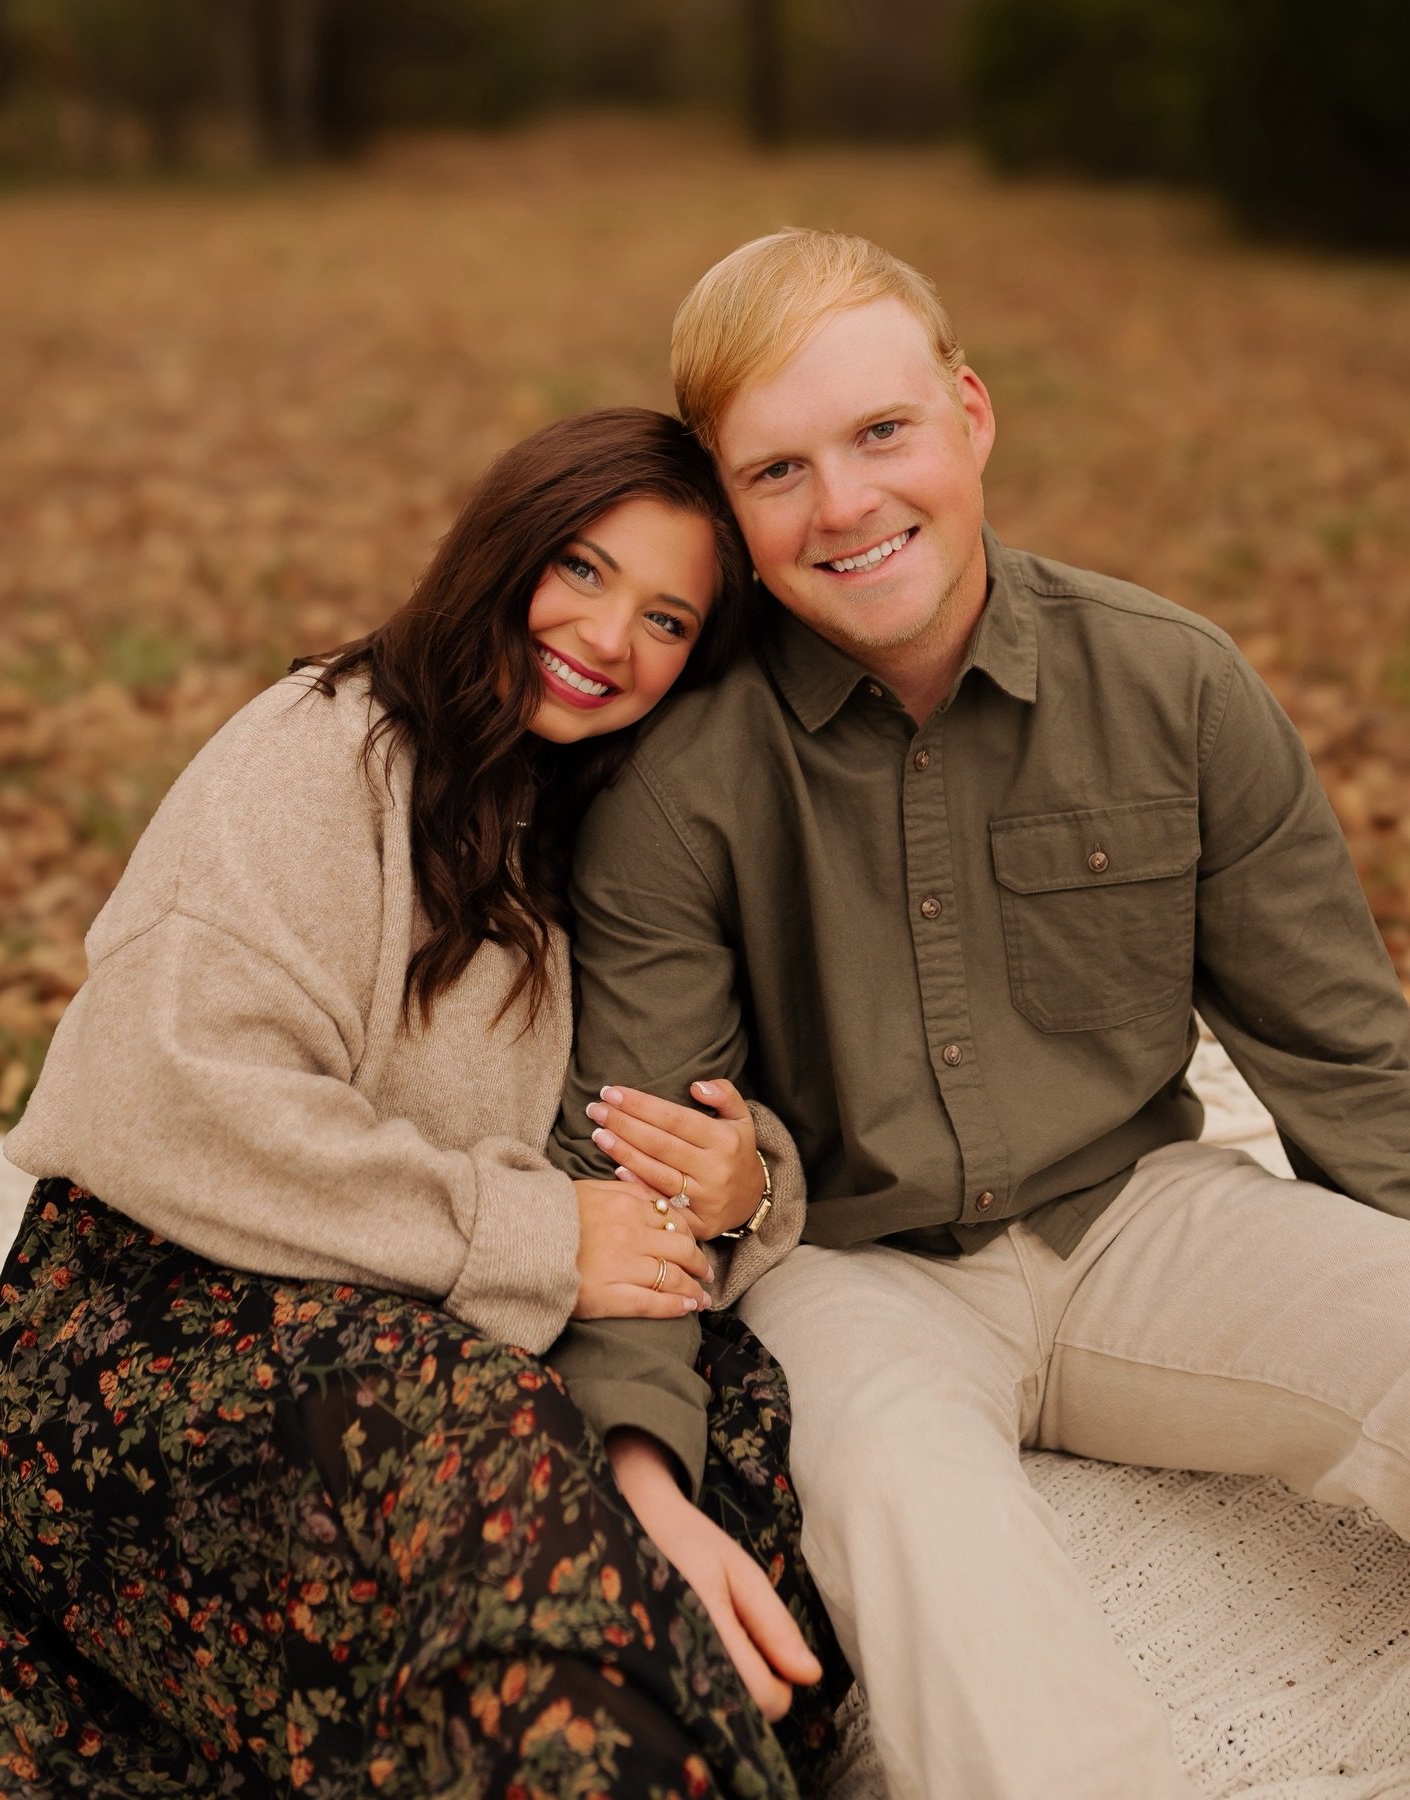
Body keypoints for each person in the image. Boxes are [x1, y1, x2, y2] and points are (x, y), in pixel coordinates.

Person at [549, 232, 1410, 1799]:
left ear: (971, 415)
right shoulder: (676, 786)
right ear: (733, 515)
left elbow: (1348, 1054)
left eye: (883, 434)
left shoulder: (1175, 684)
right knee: (904, 1504)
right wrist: (641, 1465)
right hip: (850, 1275)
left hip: (1141, 1216)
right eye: (780, 471)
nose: (849, 506)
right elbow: (642, 1180)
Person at [0, 407, 845, 1798]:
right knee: (481, 1446)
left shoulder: (601, 828)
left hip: (397, 1328)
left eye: (670, 620)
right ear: (503, 548)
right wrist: (536, 1239)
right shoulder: (322, 749)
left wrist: (746, 1182)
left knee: (736, 1453)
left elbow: (637, 1140)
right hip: (145, 1337)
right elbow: (163, 1090)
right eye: (582, 568)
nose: (612, 639)